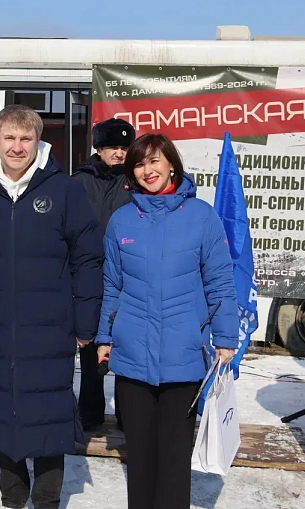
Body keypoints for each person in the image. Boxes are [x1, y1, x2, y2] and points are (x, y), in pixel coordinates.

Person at [0, 105, 103, 509]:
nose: (17, 147)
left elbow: (88, 258)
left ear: (39, 141)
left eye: (26, 138)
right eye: (10, 138)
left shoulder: (65, 190)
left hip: (51, 326)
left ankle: (47, 500)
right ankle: (12, 498)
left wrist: (85, 322)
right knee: (3, 410)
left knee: (48, 415)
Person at [95, 133, 238, 509]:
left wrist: (225, 336)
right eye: (140, 164)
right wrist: (104, 336)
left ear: (171, 164)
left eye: (155, 161)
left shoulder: (201, 216)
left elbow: (220, 280)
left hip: (184, 353)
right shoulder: (121, 220)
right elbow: (112, 284)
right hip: (132, 355)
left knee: (174, 459)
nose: (148, 170)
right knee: (139, 456)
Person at [72, 117, 135, 431]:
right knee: (91, 351)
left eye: (125, 147)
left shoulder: (136, 179)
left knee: (126, 350)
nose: (119, 153)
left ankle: (128, 416)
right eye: (113, 146)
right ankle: (90, 415)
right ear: (99, 147)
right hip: (90, 274)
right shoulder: (79, 181)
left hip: (129, 277)